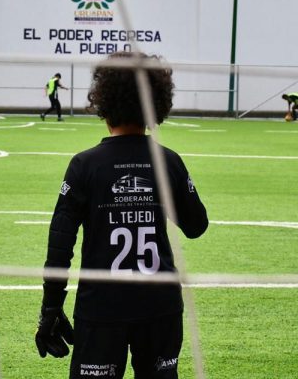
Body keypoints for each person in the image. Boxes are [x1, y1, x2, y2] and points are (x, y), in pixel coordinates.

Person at [35, 51, 209, 379]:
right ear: (155, 105)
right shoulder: (167, 162)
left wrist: (50, 309)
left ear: (103, 102)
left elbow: (59, 248)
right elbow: (196, 226)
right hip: (160, 307)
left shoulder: (84, 165)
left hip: (101, 308)